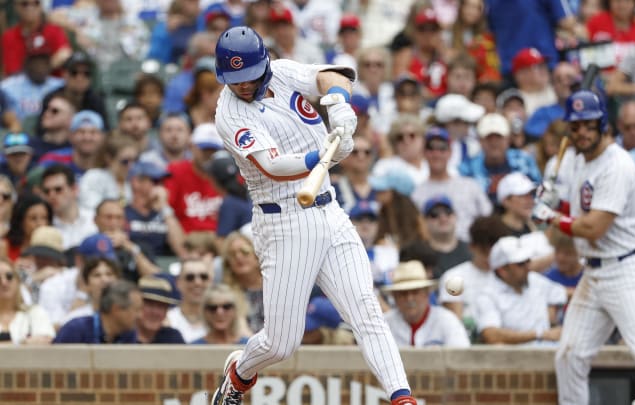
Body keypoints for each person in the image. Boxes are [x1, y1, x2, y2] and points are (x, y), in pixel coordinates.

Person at [211, 26, 418, 405]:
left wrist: (339, 103)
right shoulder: (229, 114)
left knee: (366, 312)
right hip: (284, 220)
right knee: (281, 342)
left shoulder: (285, 72)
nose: (242, 86)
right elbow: (272, 165)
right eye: (234, 79)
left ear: (264, 64)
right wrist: (321, 155)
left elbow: (331, 77)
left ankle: (402, 398)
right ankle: (239, 373)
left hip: (329, 209)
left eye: (249, 77)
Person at [531, 90, 635, 405]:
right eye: (576, 126)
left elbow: (593, 228)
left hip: (627, 270)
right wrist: (549, 196)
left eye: (590, 125)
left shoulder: (617, 164)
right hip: (595, 273)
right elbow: (572, 203)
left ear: (603, 124)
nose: (583, 132)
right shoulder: (575, 160)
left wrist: (550, 216)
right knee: (569, 355)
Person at [473, 236, 567, 345]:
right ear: (502, 270)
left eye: (528, 260)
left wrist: (552, 312)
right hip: (516, 359)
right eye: (521, 263)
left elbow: (564, 293)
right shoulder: (487, 295)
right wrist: (540, 334)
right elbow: (491, 334)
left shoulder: (533, 279)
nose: (528, 266)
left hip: (549, 353)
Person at [382, 261, 470, 348]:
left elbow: (462, 356)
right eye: (403, 293)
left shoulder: (446, 320)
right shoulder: (384, 324)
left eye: (415, 292)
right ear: (395, 297)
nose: (409, 298)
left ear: (427, 293)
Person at [53, 280, 142, 344]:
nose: (140, 316)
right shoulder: (75, 329)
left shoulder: (129, 333)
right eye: (136, 310)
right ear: (116, 309)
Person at [0, 258, 55, 344]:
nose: (4, 282)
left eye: (9, 276)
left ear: (17, 281)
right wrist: (23, 343)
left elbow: (47, 341)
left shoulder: (35, 312)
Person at [166, 259, 213, 343]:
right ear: (178, 283)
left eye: (203, 277)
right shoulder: (168, 319)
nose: (198, 282)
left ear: (211, 282)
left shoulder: (223, 317)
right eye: (190, 277)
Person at [136, 275, 184, 344]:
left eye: (161, 306)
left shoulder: (173, 338)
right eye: (150, 304)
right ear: (136, 306)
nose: (155, 312)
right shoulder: (123, 337)